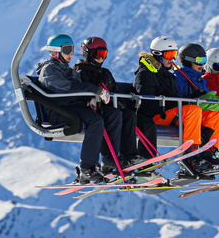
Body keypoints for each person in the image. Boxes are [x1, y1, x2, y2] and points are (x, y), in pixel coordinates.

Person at [33, 33, 118, 184]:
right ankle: (87, 168)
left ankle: (110, 160)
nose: (70, 54)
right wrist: (93, 89)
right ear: (55, 51)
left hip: (72, 107)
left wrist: (91, 97)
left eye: (71, 49)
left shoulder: (66, 69)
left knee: (111, 114)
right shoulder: (49, 70)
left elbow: (77, 86)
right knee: (95, 121)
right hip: (60, 111)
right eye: (66, 50)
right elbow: (65, 88)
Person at [72, 36, 140, 175]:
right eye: (98, 54)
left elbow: (114, 90)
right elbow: (80, 91)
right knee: (114, 114)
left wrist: (119, 102)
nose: (101, 59)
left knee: (128, 115)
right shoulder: (80, 71)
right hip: (91, 108)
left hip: (107, 106)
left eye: (104, 55)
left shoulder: (105, 73)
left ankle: (129, 156)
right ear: (87, 53)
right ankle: (109, 157)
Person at [168, 41, 219, 176]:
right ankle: (191, 157)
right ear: (188, 61)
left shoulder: (201, 79)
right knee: (195, 111)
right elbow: (176, 94)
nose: (202, 64)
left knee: (214, 115)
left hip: (193, 114)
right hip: (179, 114)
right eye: (199, 60)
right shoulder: (178, 76)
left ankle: (208, 154)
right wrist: (191, 94)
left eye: (204, 60)